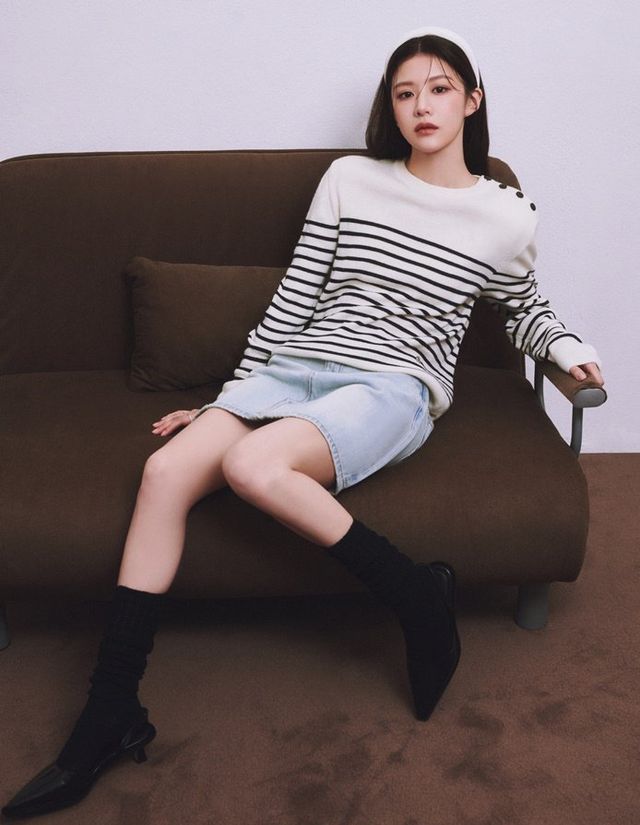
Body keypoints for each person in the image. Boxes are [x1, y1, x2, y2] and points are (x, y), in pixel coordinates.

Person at [2, 24, 604, 819]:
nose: (421, 105)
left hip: (393, 383)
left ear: (472, 99)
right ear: (391, 107)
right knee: (166, 470)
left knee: (252, 466)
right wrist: (228, 398)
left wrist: (568, 349)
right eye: (405, 92)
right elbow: (295, 298)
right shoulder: (350, 179)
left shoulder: (504, 214)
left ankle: (415, 594)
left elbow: (524, 306)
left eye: (439, 88)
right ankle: (111, 709)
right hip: (298, 367)